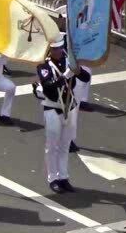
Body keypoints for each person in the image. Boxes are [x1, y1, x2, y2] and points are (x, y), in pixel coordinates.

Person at [37, 36, 90, 193]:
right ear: (50, 50)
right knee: (52, 146)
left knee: (65, 145)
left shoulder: (69, 62)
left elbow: (85, 78)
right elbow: (48, 87)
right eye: (54, 49)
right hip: (52, 108)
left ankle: (64, 177)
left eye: (60, 48)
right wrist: (65, 76)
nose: (58, 51)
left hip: (69, 107)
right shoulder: (44, 66)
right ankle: (53, 178)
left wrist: (77, 70)